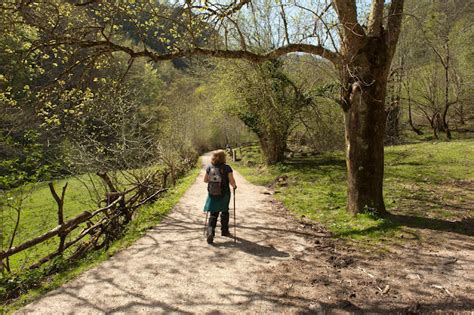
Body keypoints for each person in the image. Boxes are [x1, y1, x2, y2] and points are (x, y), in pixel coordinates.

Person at [203, 149, 237, 244]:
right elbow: (232, 181)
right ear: (223, 157)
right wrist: (234, 186)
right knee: (224, 210)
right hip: (224, 193)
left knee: (213, 213)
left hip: (212, 193)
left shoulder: (209, 167)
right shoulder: (227, 168)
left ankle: (210, 232)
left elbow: (205, 180)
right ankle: (224, 231)